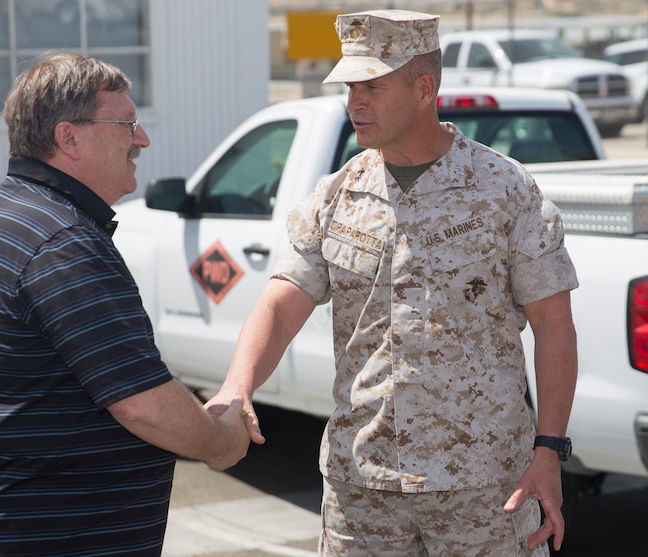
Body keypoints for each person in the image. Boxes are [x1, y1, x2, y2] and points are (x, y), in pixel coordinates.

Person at [206, 10, 578, 557]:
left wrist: (548, 452)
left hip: (486, 488)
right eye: (350, 87)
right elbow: (284, 300)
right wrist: (238, 387)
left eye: (372, 87)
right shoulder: (337, 194)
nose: (355, 102)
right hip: (364, 490)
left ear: (424, 87)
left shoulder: (504, 190)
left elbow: (553, 324)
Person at [0, 52, 250, 557]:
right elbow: (144, 404)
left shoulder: (11, 212)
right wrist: (223, 440)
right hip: (49, 539)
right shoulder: (62, 242)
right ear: (70, 138)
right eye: (127, 124)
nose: (142, 139)